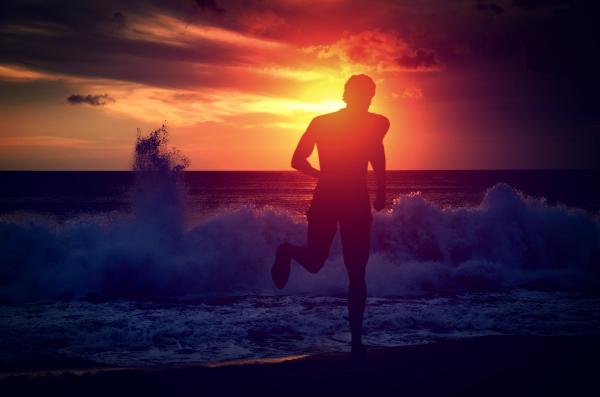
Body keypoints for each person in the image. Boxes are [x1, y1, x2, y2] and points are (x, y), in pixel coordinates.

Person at [271, 74, 389, 358]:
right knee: (315, 262)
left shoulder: (378, 123)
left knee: (357, 271)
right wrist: (324, 175)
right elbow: (297, 159)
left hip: (357, 201)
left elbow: (376, 152)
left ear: (371, 98)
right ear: (347, 95)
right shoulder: (322, 122)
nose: (365, 100)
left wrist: (382, 189)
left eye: (369, 96)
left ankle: (356, 342)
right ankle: (286, 251)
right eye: (360, 95)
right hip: (326, 198)